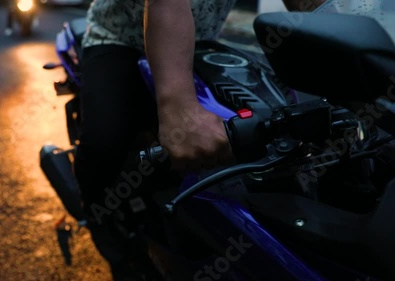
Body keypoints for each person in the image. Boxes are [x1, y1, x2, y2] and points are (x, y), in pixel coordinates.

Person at [75, 0, 326, 280]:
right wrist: (178, 109)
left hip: (194, 42)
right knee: (104, 142)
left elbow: (312, 6)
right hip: (118, 38)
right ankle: (95, 211)